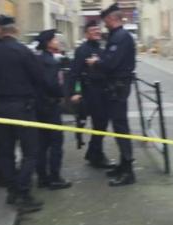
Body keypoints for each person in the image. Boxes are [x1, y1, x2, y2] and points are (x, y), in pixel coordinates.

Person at [0, 15, 57, 212]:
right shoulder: (22, 51)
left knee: (5, 152)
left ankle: (12, 191)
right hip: (22, 107)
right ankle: (22, 192)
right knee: (31, 152)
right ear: (14, 30)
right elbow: (39, 78)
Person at [86, 3, 137, 186]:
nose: (103, 25)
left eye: (105, 21)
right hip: (115, 87)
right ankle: (124, 166)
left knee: (121, 129)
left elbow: (110, 64)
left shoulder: (121, 37)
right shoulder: (117, 36)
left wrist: (96, 62)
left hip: (118, 88)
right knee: (118, 128)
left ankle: (128, 172)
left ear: (111, 19)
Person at [69, 20, 116, 169]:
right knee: (100, 124)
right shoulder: (82, 50)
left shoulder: (102, 47)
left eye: (98, 29)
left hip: (103, 90)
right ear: (86, 33)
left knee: (101, 124)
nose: (96, 32)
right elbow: (74, 74)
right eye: (93, 30)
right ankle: (97, 156)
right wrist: (76, 92)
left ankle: (93, 153)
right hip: (91, 91)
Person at [34, 29, 72, 190]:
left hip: (39, 106)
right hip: (50, 107)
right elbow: (52, 84)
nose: (58, 42)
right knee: (56, 143)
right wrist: (61, 94)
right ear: (48, 44)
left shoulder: (38, 59)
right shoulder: (51, 62)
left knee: (42, 144)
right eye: (55, 40)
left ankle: (42, 177)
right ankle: (55, 178)